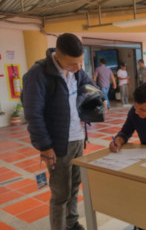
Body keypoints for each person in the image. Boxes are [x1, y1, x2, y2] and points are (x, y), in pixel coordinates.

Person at [22, 33, 95, 230]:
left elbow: (90, 86)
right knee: (60, 194)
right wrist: (45, 147)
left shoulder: (76, 71)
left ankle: (71, 223)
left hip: (77, 138)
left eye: (81, 62)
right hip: (57, 143)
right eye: (73, 64)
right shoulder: (38, 74)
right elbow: (33, 114)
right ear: (57, 56)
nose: (78, 68)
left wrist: (99, 99)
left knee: (73, 187)